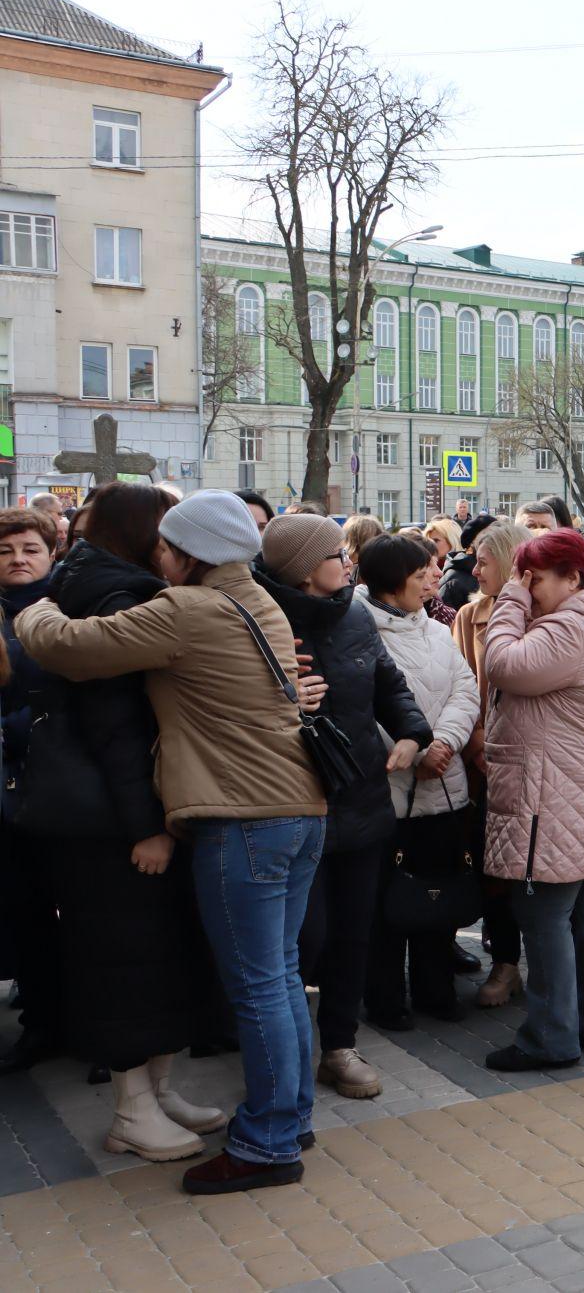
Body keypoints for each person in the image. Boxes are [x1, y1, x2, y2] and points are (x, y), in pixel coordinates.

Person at [16, 489, 328, 1194]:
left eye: (166, 546)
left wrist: (38, 597)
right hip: (298, 809)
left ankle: (269, 1143)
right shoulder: (259, 600)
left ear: (190, 552)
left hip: (243, 817)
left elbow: (68, 648)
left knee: (258, 988)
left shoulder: (189, 610)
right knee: (277, 978)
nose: (157, 556)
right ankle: (290, 1117)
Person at [12, 485, 227, 1161]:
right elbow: (119, 729)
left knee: (157, 953)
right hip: (111, 819)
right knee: (128, 960)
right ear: (144, 533)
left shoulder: (90, 582)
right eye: (167, 531)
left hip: (100, 808)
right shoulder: (120, 596)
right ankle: (132, 1109)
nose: (176, 546)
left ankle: (158, 1091)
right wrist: (148, 826)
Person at [254, 515, 433, 1099]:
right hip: (290, 801)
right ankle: (282, 1050)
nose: (347, 560)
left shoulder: (353, 610)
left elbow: (388, 683)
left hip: (360, 798)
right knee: (304, 939)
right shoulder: (259, 619)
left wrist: (411, 731)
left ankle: (338, 1045)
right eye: (335, 553)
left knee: (354, 931)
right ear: (306, 570)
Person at [479, 530, 584, 1069]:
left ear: (574, 578)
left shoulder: (572, 626)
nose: (529, 589)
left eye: (536, 579)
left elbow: (504, 665)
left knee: (545, 915)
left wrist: (509, 601)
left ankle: (551, 1038)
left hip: (557, 791)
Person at [354, 534, 481, 1027]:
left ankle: (435, 989)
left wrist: (444, 744)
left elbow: (464, 690)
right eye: (421, 571)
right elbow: (365, 708)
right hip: (390, 792)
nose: (433, 576)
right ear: (391, 581)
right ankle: (385, 998)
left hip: (444, 789)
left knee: (437, 894)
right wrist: (416, 751)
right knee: (387, 904)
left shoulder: (433, 628)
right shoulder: (360, 630)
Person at [453, 519, 532, 1008]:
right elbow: (460, 684)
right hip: (484, 764)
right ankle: (505, 963)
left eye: (483, 561)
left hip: (537, 762)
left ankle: (546, 968)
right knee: (495, 871)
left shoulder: (548, 611)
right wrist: (476, 740)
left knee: (541, 871)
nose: (473, 569)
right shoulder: (468, 615)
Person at [0, 508, 60, 1074]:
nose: (18, 559)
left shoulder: (68, 609)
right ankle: (41, 1022)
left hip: (63, 783)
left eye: (29, 549)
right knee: (27, 911)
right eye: (6, 551)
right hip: (9, 793)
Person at [440, 512, 495, 612]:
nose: (496, 543)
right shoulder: (453, 580)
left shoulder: (502, 571)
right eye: (488, 538)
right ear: (471, 546)